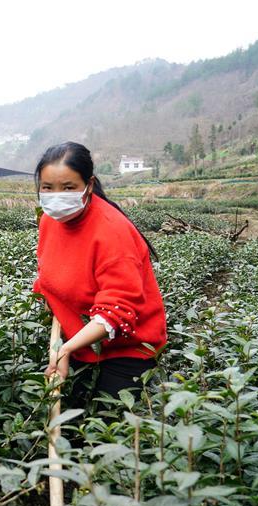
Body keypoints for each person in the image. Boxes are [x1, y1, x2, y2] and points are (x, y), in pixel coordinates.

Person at [32, 142, 167, 410]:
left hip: (127, 349)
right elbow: (49, 278)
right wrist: (63, 348)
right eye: (48, 187)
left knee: (104, 435)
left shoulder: (111, 232)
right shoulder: (50, 221)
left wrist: (65, 350)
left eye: (68, 187)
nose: (56, 196)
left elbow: (115, 312)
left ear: (89, 185)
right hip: (79, 339)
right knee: (71, 427)